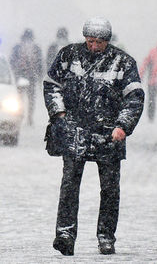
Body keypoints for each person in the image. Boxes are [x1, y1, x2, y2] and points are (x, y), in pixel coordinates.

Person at [43, 17, 144, 256]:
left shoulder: (123, 62)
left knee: (109, 190)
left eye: (99, 42)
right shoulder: (68, 55)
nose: (94, 46)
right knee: (69, 187)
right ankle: (65, 235)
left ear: (107, 41)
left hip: (109, 135)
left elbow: (134, 97)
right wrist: (59, 113)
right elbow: (51, 85)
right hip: (74, 131)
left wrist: (123, 126)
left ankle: (106, 237)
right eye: (90, 41)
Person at [10, 28, 43, 125]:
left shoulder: (17, 47)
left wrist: (14, 74)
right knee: (31, 99)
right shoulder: (36, 48)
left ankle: (19, 116)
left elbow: (12, 61)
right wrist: (40, 77)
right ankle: (29, 117)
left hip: (20, 76)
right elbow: (40, 64)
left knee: (20, 98)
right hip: (31, 76)